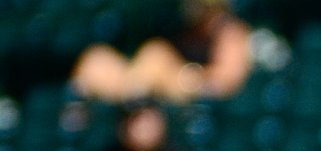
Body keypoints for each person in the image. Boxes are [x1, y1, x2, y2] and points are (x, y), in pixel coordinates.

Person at [71, 0, 252, 104]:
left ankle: (129, 91)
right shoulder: (185, 30)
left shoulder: (230, 32)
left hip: (190, 95)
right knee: (96, 59)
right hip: (159, 88)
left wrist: (182, 79)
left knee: (155, 56)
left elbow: (224, 82)